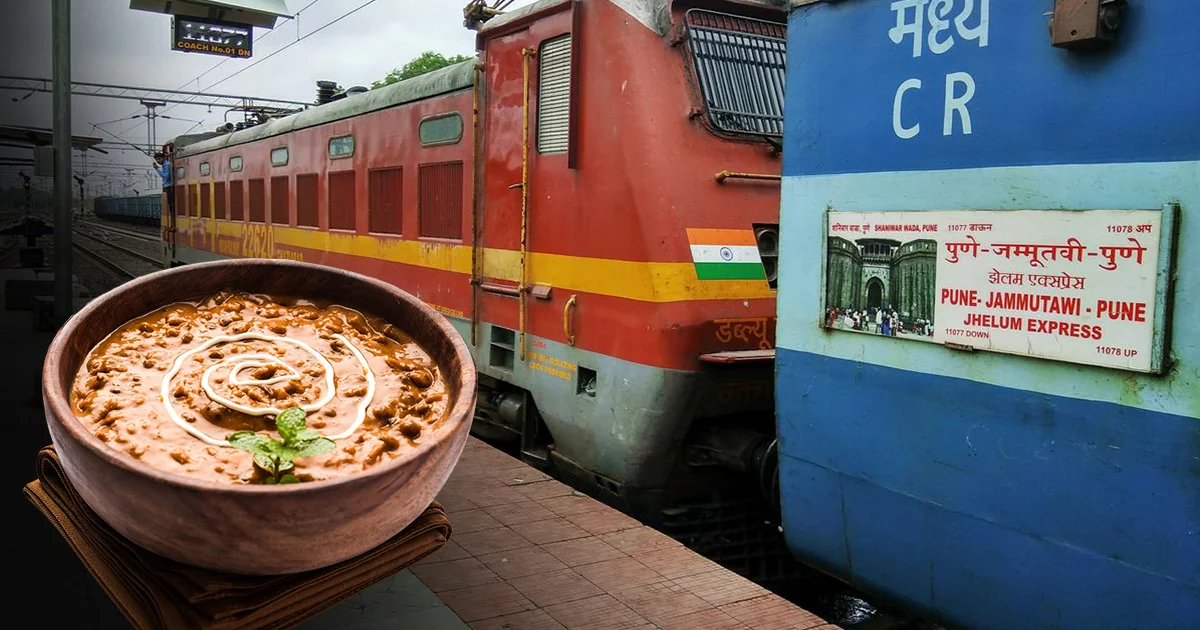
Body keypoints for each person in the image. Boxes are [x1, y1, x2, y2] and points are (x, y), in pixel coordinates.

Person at [154, 151, 174, 216]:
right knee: (169, 204)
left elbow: (166, 176)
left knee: (170, 204)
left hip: (169, 186)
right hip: (167, 186)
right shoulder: (165, 165)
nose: (158, 161)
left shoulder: (167, 165)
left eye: (159, 159)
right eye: (156, 159)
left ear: (163, 158)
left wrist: (157, 169)